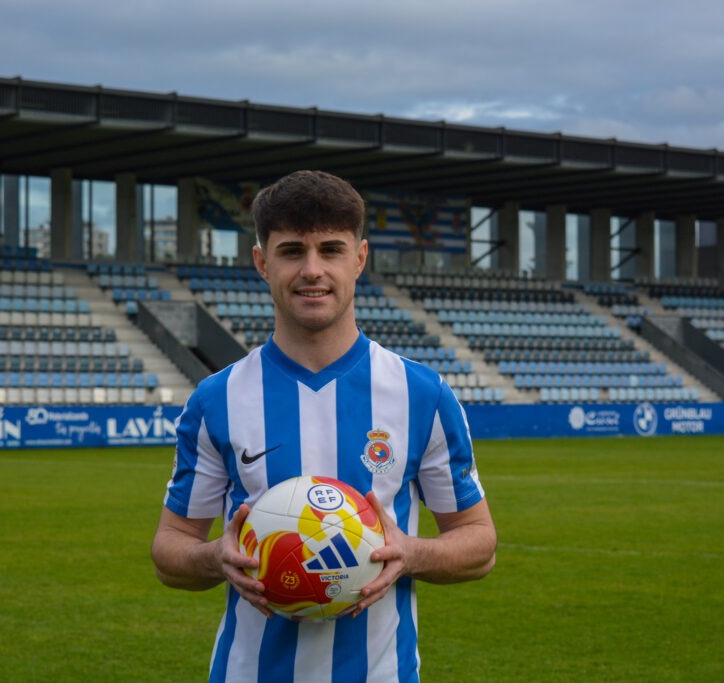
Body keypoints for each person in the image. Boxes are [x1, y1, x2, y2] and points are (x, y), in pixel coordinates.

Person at [151, 170, 496, 682]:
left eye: (331, 250)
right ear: (262, 262)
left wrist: (411, 553)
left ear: (359, 258)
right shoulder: (216, 399)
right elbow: (170, 547)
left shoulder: (421, 394)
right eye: (292, 251)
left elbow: (479, 543)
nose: (312, 270)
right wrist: (213, 558)